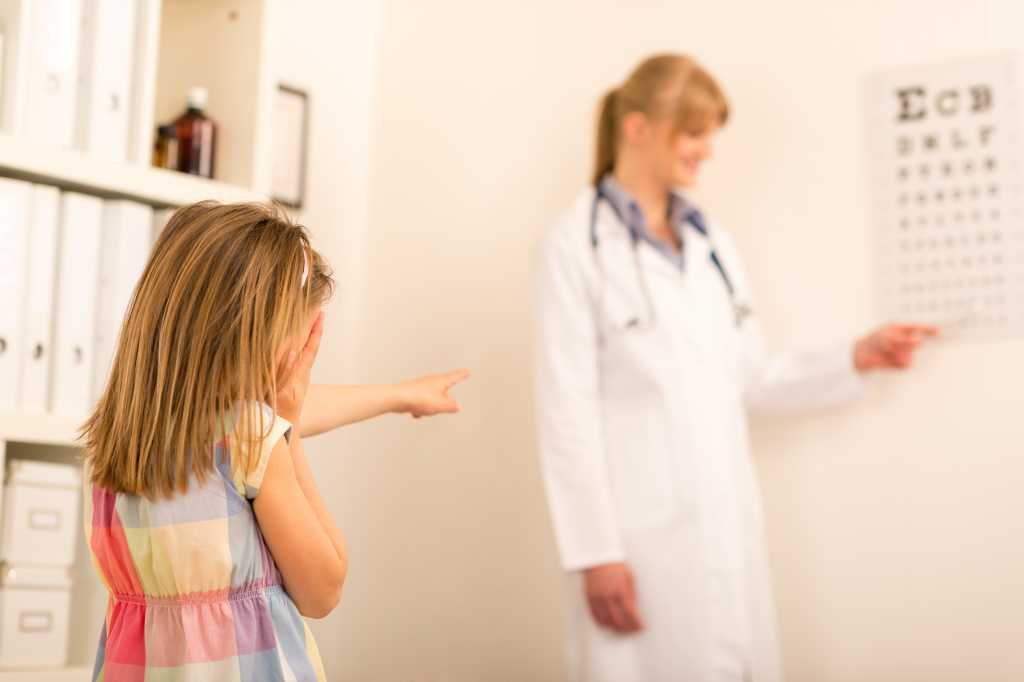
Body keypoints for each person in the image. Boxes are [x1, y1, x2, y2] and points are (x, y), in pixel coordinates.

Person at [532, 54, 937, 682]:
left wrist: (854, 356)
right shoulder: (571, 245)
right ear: (637, 128)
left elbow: (747, 377)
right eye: (693, 133)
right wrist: (595, 553)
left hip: (725, 526)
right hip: (637, 540)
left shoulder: (711, 242)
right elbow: (566, 412)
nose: (707, 151)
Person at [81, 202, 468, 682]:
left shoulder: (116, 435)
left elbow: (295, 412)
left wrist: (399, 395)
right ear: (252, 337)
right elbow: (324, 588)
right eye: (300, 339)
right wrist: (285, 434)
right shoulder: (254, 437)